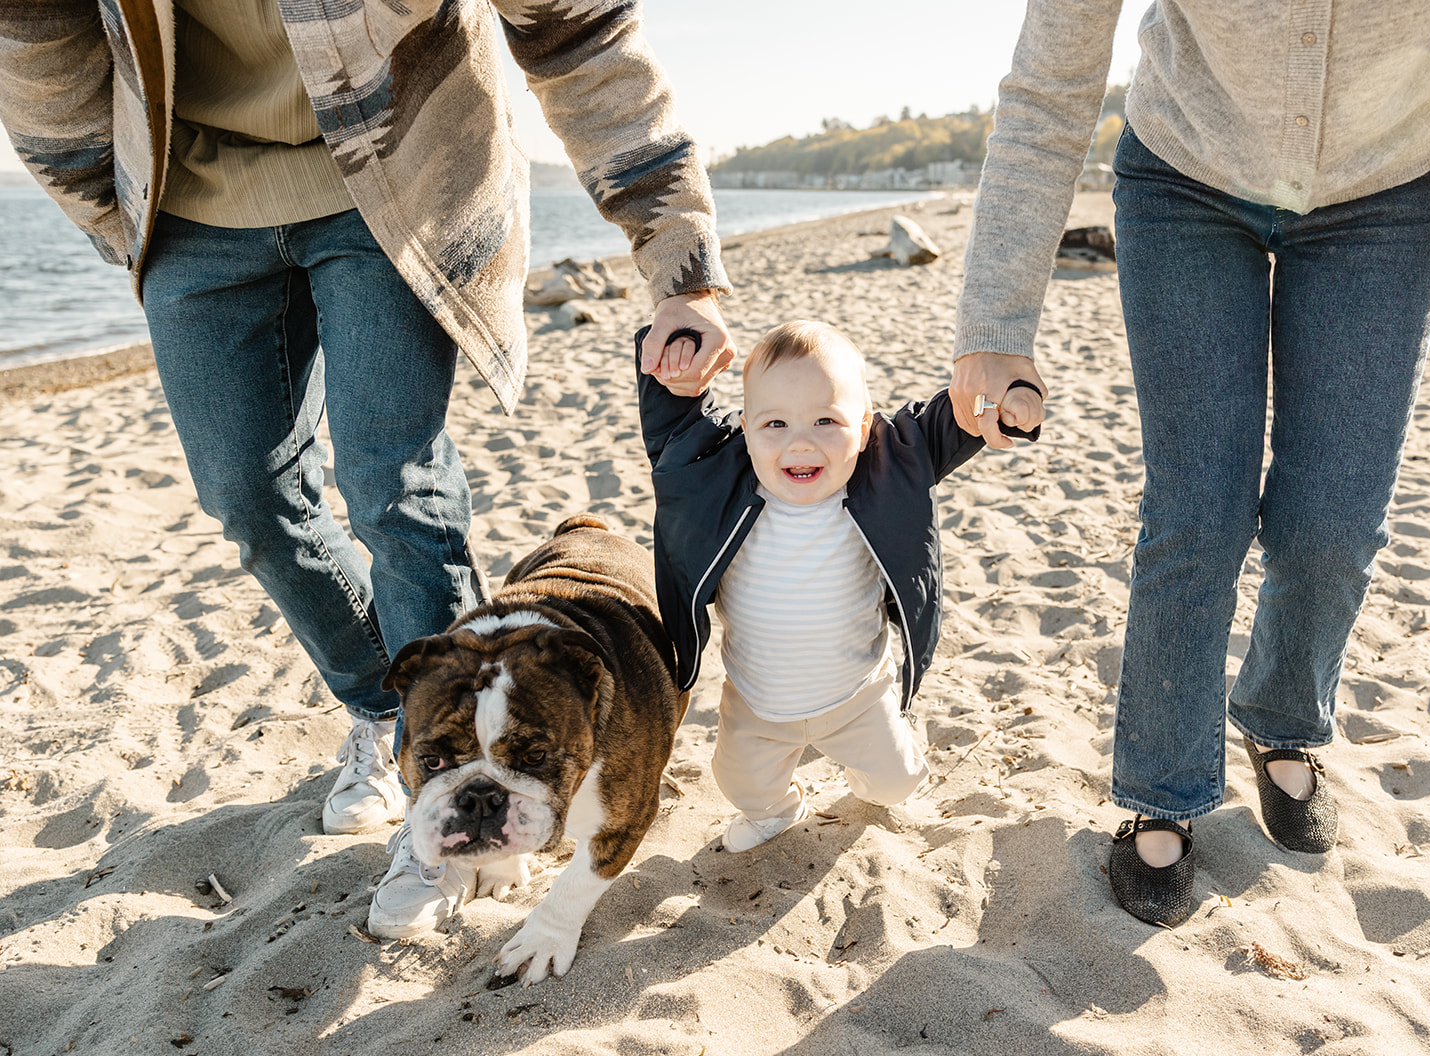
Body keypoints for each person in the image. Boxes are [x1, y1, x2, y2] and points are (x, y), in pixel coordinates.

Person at [0, 0, 734, 938]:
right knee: (249, 497)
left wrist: (681, 259)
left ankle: (437, 790)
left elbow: (580, 33)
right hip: (189, 204)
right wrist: (115, 202)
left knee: (398, 490)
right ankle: (393, 714)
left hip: (393, 179)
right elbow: (37, 42)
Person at [949, 0, 1430, 925]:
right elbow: (1050, 84)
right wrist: (997, 322)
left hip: (1386, 197)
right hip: (1185, 182)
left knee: (1334, 520)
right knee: (1201, 509)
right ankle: (1160, 792)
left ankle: (1281, 720)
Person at [637, 320, 1042, 851]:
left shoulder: (885, 468)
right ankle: (780, 807)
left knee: (895, 785)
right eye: (775, 424)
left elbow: (953, 420)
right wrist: (677, 364)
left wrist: (1001, 405)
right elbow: (673, 427)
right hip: (757, 702)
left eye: (826, 420)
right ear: (743, 425)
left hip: (858, 695)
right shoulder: (715, 477)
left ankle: (868, 773)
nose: (800, 443)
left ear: (865, 425)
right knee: (739, 784)